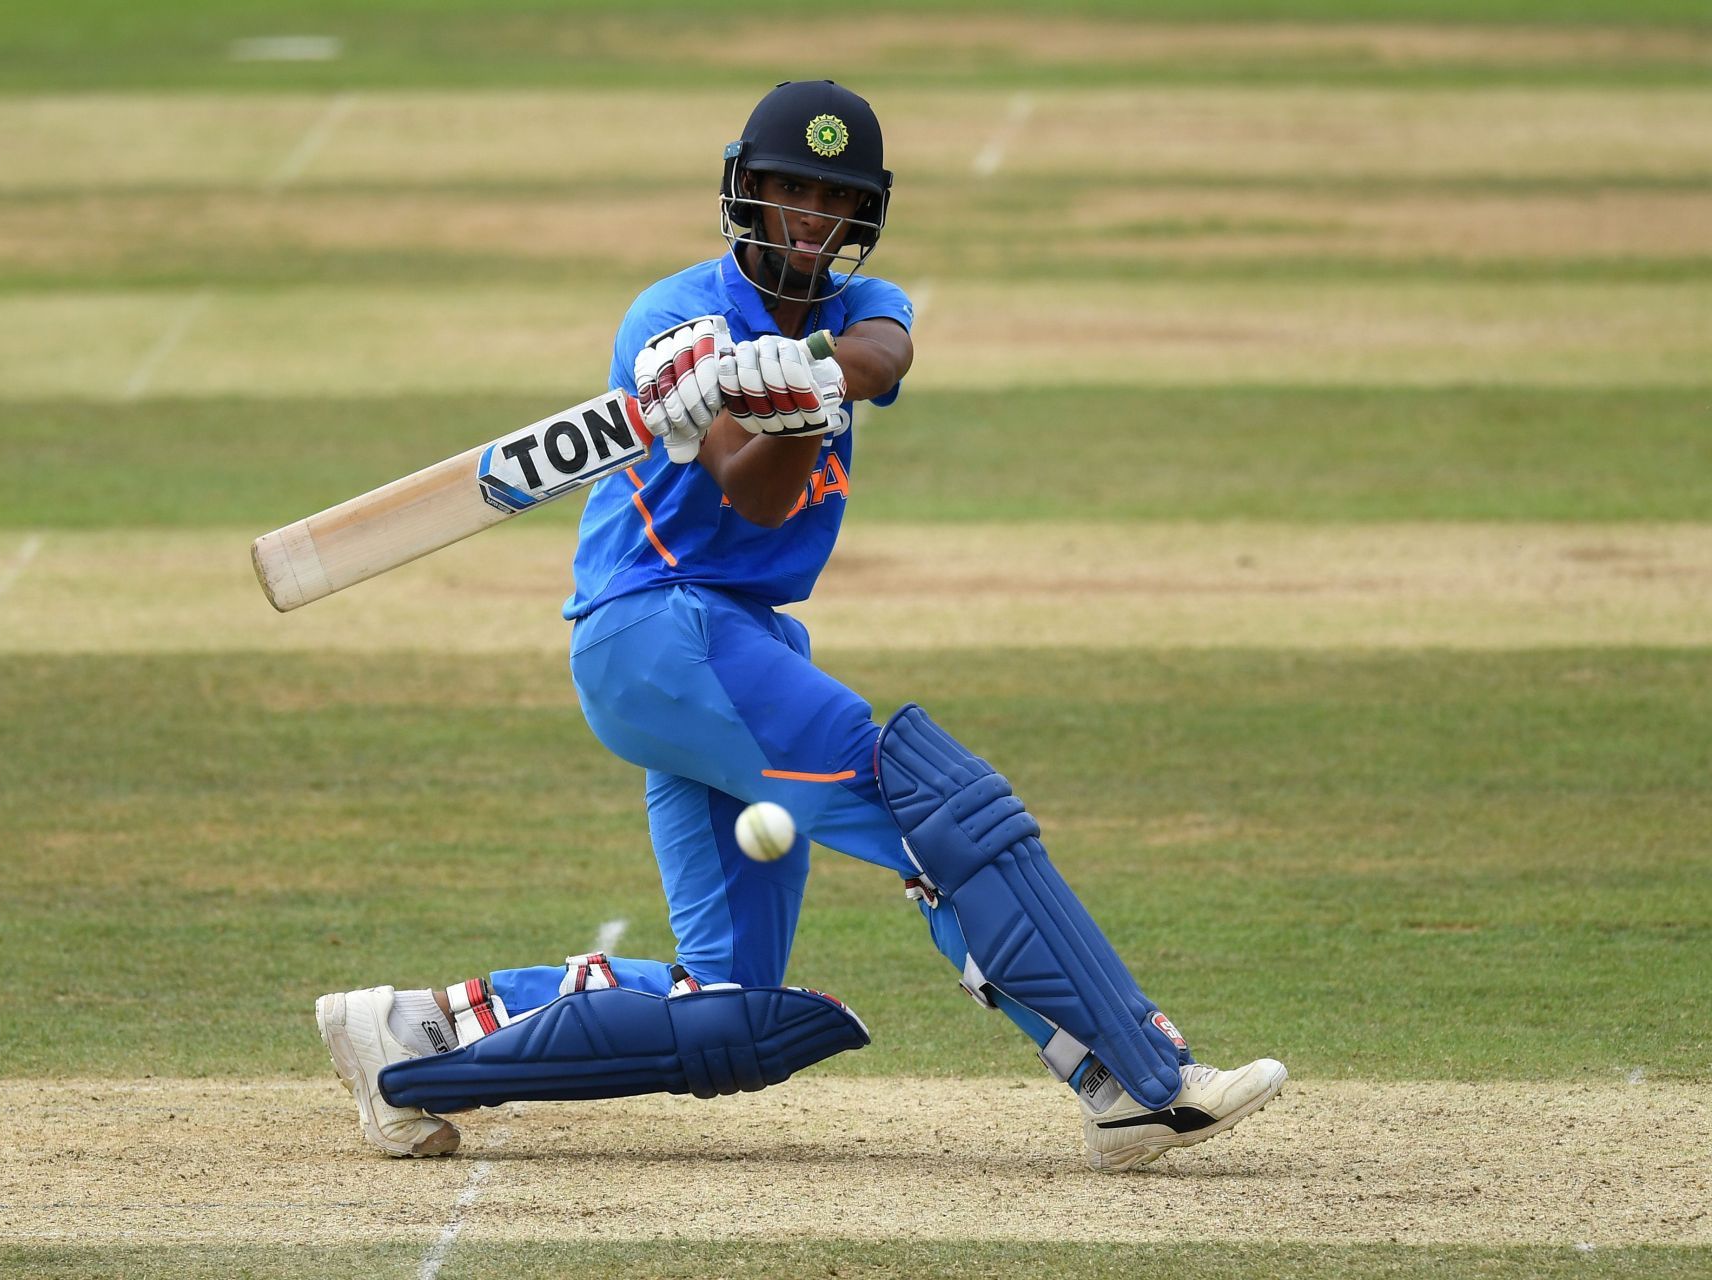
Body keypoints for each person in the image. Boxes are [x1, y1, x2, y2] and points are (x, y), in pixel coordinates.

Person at [315, 80, 1285, 1173]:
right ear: (746, 192)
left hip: (744, 641)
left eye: (834, 200)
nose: (809, 221)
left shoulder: (867, 310)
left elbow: (883, 354)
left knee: (734, 1008)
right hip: (656, 628)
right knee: (936, 805)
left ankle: (406, 1038)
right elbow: (753, 491)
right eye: (787, 193)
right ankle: (1135, 1076)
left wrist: (804, 379)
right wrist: (725, 387)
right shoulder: (668, 317)